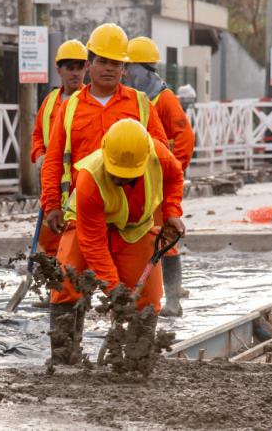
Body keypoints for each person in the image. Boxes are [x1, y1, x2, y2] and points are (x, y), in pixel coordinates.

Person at [48, 119, 185, 364]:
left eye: (129, 177)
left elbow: (175, 177)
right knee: (67, 280)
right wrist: (114, 292)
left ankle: (136, 360)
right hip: (86, 226)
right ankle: (64, 358)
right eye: (117, 176)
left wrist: (172, 212)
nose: (122, 181)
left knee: (148, 296)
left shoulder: (159, 157)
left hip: (135, 228)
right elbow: (94, 244)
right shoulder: (90, 179)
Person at [41, 23, 168, 239]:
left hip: (131, 217)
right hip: (83, 210)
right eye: (102, 61)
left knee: (132, 274)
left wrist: (166, 209)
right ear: (89, 65)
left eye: (115, 63)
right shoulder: (70, 107)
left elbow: (162, 157)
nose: (109, 68)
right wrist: (52, 204)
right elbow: (53, 160)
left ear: (123, 68)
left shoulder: (141, 104)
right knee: (74, 272)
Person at [125, 36, 195, 317]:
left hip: (160, 181)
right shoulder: (132, 98)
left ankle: (173, 301)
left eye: (129, 68)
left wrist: (173, 170)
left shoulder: (164, 99)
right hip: (133, 180)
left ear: (143, 69)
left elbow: (184, 136)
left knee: (165, 235)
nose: (125, 73)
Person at [31, 39, 88, 255]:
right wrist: (39, 156)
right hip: (54, 182)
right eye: (69, 68)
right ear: (59, 70)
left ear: (86, 68)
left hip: (79, 182)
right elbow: (37, 134)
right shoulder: (50, 102)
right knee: (51, 235)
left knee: (80, 235)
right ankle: (53, 279)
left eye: (79, 67)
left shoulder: (88, 101)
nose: (75, 73)